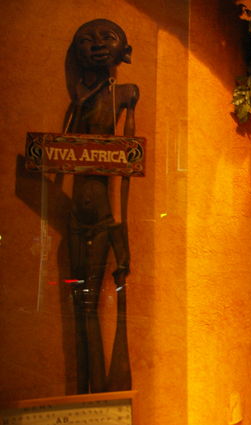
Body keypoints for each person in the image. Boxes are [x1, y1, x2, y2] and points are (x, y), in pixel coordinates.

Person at [64, 19, 139, 393]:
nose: (95, 45)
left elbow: (125, 172)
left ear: (124, 51)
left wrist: (121, 239)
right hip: (75, 219)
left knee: (89, 307)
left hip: (104, 220)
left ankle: (100, 397)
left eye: (106, 38)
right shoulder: (78, 99)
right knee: (80, 308)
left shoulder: (125, 94)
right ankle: (84, 395)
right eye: (86, 41)